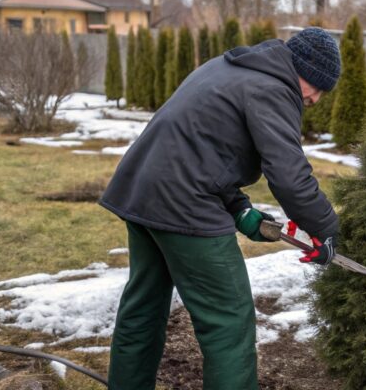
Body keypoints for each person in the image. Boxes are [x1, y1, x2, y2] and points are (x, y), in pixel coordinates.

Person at [99, 27, 341, 389]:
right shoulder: (274, 89)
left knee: (143, 310)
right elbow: (290, 178)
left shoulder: (229, 67)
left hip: (143, 192)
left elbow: (201, 148)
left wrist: (241, 210)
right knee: (229, 321)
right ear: (301, 69)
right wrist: (328, 230)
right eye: (317, 86)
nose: (317, 98)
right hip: (184, 204)